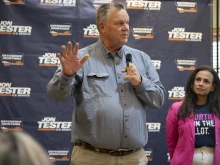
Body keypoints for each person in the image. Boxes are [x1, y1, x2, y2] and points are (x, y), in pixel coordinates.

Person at [48, 2, 165, 165]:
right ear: (102, 27)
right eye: (119, 23)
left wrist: (140, 82)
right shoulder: (82, 59)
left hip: (134, 158)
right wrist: (67, 75)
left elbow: (158, 100)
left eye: (127, 23)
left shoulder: (142, 59)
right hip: (91, 158)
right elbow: (56, 95)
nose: (126, 28)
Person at [166, 65, 220, 165]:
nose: (200, 84)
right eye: (198, 79)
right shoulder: (177, 108)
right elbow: (171, 140)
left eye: (206, 81)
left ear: (213, 87)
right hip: (184, 160)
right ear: (192, 83)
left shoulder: (218, 109)